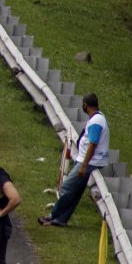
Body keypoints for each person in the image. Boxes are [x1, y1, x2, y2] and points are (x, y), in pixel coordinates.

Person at [40, 93, 110, 227]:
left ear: (85, 105)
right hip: (88, 160)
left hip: (89, 162)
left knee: (66, 188)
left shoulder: (96, 121)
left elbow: (93, 144)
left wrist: (84, 165)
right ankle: (61, 219)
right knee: (76, 191)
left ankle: (54, 216)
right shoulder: (97, 118)